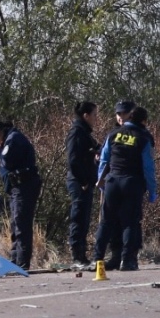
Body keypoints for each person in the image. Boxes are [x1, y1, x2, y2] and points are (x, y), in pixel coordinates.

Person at [92, 105, 157, 271]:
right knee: (130, 223)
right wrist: (152, 190)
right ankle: (127, 261)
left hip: (112, 181)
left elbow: (104, 160)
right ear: (143, 121)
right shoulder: (143, 137)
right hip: (132, 182)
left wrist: (101, 182)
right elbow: (148, 167)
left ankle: (97, 259)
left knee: (106, 222)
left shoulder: (113, 134)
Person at [0, 119, 42, 270]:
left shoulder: (13, 140)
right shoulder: (11, 138)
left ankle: (22, 263)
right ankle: (15, 260)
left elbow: (6, 160)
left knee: (21, 224)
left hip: (24, 186)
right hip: (17, 187)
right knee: (15, 224)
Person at [66, 101, 101, 267]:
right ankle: (77, 256)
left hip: (86, 182)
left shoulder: (85, 133)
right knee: (78, 218)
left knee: (84, 219)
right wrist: (83, 181)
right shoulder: (77, 133)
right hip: (79, 183)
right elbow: (73, 160)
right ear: (85, 116)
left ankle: (82, 254)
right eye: (94, 115)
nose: (96, 118)